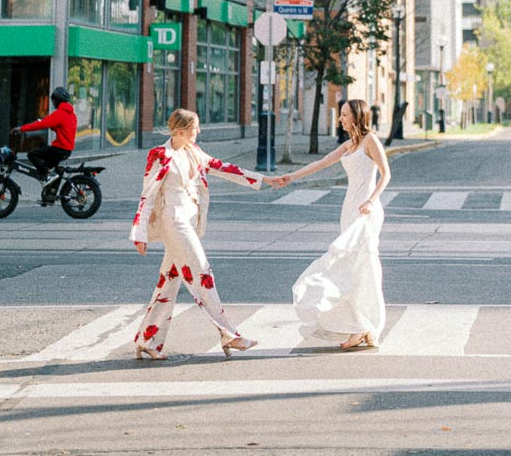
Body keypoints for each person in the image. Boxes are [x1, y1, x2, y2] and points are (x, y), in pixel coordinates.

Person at [130, 108, 263, 361]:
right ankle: (229, 334)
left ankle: (147, 340)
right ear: (181, 130)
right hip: (174, 219)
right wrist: (140, 232)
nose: (198, 132)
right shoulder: (161, 154)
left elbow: (223, 167)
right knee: (201, 272)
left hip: (189, 220)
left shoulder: (194, 152)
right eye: (195, 128)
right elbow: (147, 194)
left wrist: (263, 179)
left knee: (169, 281)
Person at [269, 97, 390, 351]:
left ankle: (364, 326)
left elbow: (386, 173)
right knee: (351, 268)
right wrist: (290, 177)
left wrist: (370, 200)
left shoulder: (370, 140)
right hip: (349, 209)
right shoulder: (349, 145)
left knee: (361, 267)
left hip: (366, 211)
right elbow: (321, 163)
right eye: (341, 114)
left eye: (345, 114)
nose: (340, 119)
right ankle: (359, 326)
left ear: (357, 116)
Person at [12, 86, 77, 199]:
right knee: (45, 164)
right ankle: (49, 193)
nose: (52, 103)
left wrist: (21, 129)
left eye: (53, 100)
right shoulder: (71, 114)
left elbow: (41, 124)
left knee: (32, 154)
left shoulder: (60, 113)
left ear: (57, 100)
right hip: (66, 149)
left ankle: (48, 176)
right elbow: (65, 128)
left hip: (59, 149)